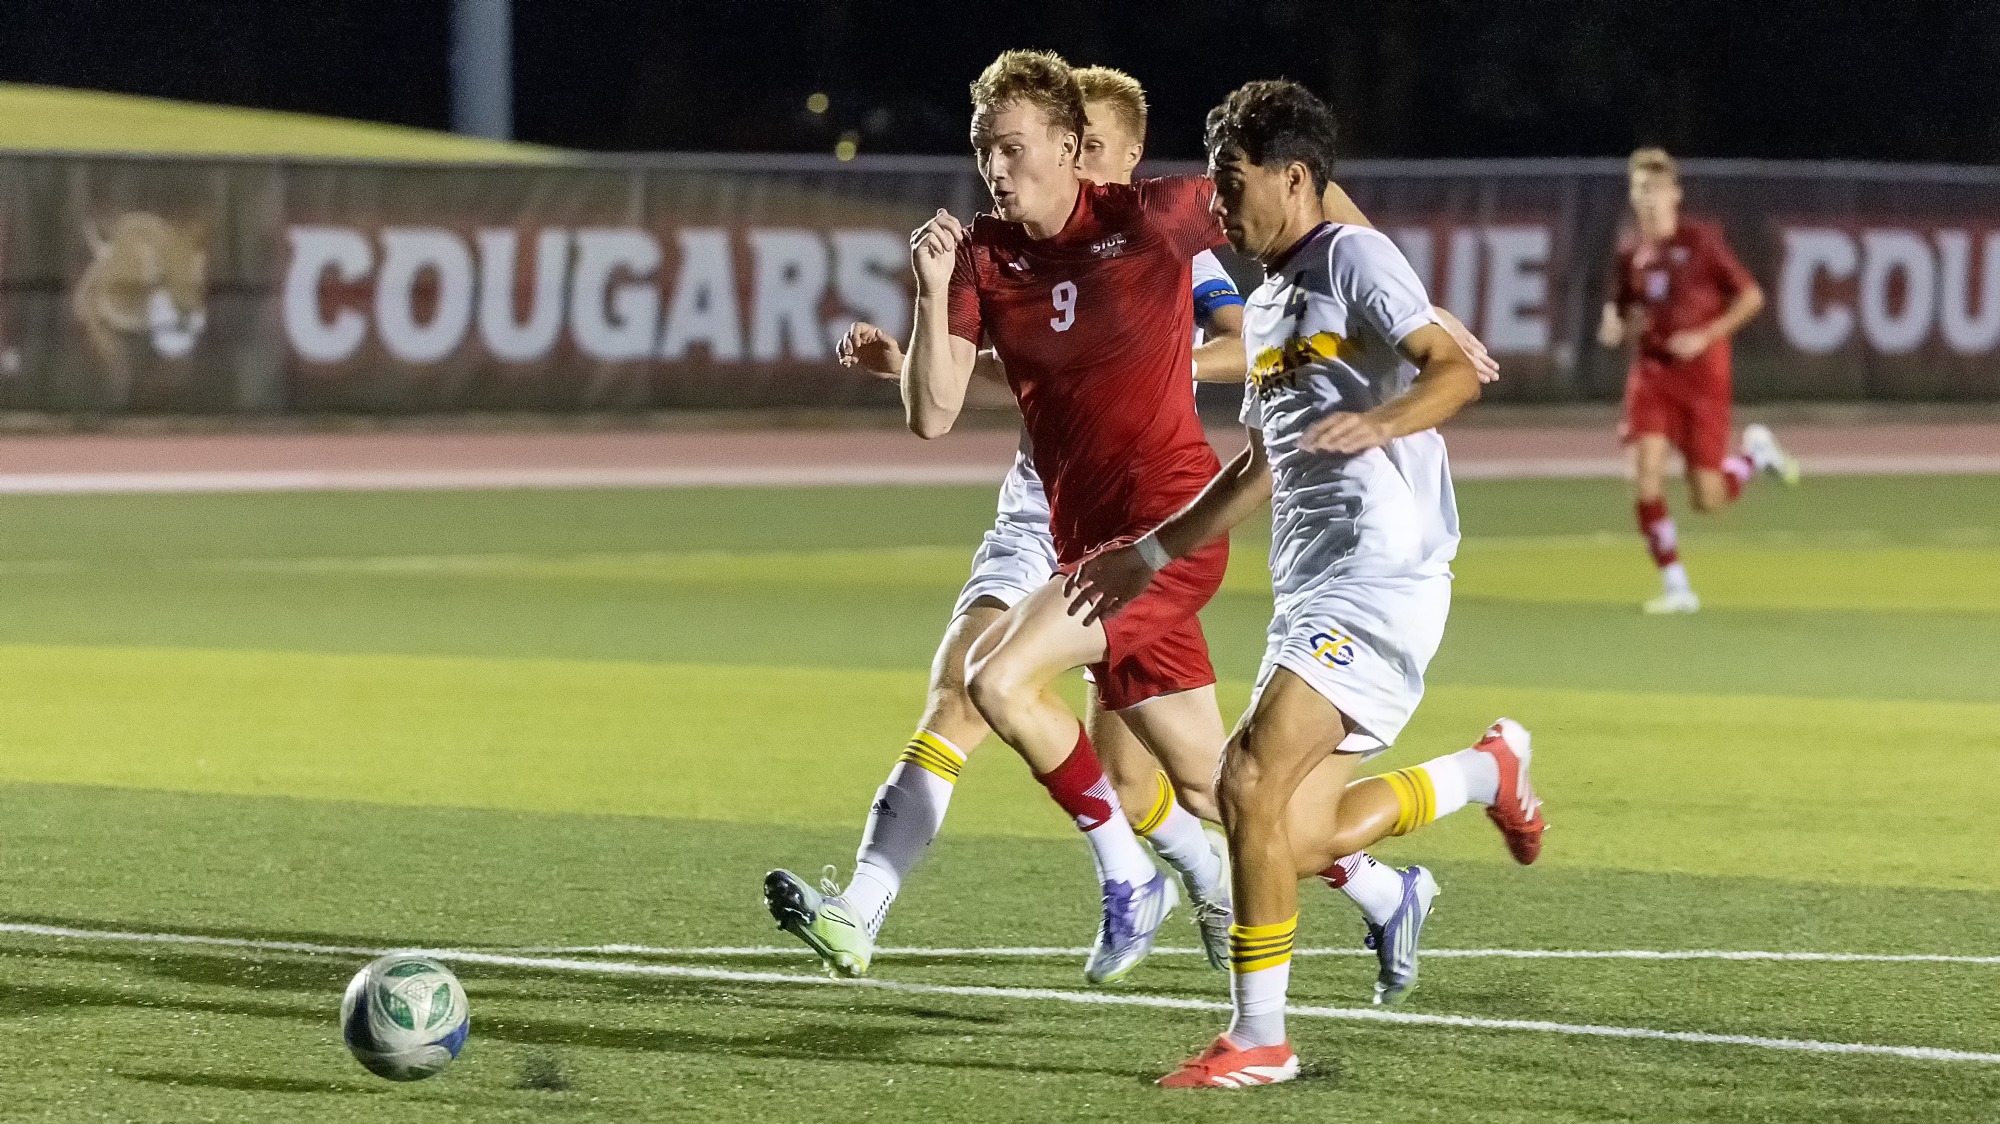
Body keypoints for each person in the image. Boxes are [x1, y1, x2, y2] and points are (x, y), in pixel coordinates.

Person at [1066, 80, 1545, 1088]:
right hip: (1314, 584)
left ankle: (1257, 1038)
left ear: (1291, 177)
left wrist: (1383, 421)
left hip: (1380, 571)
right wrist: (1145, 556)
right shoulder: (1277, 294)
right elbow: (1258, 465)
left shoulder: (1351, 256)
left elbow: (1448, 368)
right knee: (1286, 830)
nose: (1219, 207)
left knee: (1239, 778)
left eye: (1231, 185)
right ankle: (1484, 770)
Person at [762, 64, 1245, 981]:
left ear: (1089, 152)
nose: (993, 165)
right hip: (1054, 515)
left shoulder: (1154, 223)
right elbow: (936, 413)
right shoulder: (986, 252)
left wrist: (1400, 308)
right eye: (984, 148)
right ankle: (1380, 878)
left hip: (1156, 529)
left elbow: (1285, 197)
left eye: (1013, 147)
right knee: (1211, 783)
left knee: (999, 684)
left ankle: (1137, 889)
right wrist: (926, 297)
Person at [1598, 147, 1796, 615]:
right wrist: (1614, 324)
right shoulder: (1631, 253)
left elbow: (1751, 296)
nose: (1648, 199)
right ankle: (1676, 586)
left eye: (1656, 189)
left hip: (1704, 380)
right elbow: (1622, 310)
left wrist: (1706, 334)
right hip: (1651, 375)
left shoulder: (1702, 242)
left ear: (1675, 194)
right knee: (1645, 472)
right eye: (1640, 189)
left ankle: (1753, 457)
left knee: (1708, 496)